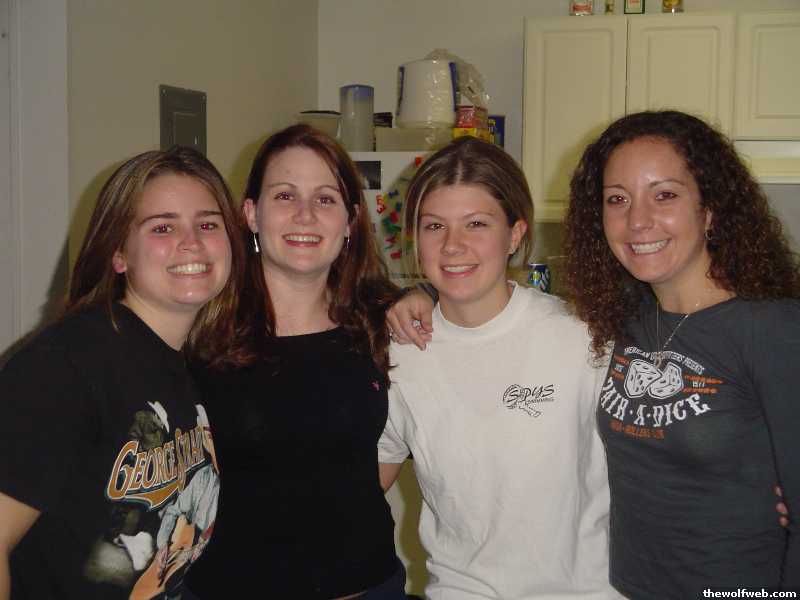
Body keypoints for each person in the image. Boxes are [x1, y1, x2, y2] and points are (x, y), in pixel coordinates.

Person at [562, 110, 800, 598]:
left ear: (710, 209)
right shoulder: (622, 318)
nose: (637, 221)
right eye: (617, 199)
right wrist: (425, 298)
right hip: (629, 589)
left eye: (664, 195)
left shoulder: (772, 329)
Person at [378, 136, 621, 599]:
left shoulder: (582, 338)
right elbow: (363, 482)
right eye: (434, 226)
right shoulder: (401, 354)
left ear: (514, 234)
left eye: (476, 224)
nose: (453, 246)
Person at [0, 146, 247, 599]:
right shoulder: (62, 366)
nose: (191, 242)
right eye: (163, 227)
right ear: (118, 254)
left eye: (208, 224)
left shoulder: (184, 361)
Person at [185, 124, 405, 598]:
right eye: (285, 196)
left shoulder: (382, 322)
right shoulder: (199, 331)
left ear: (350, 220)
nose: (305, 215)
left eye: (325, 199)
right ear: (251, 213)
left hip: (370, 588)